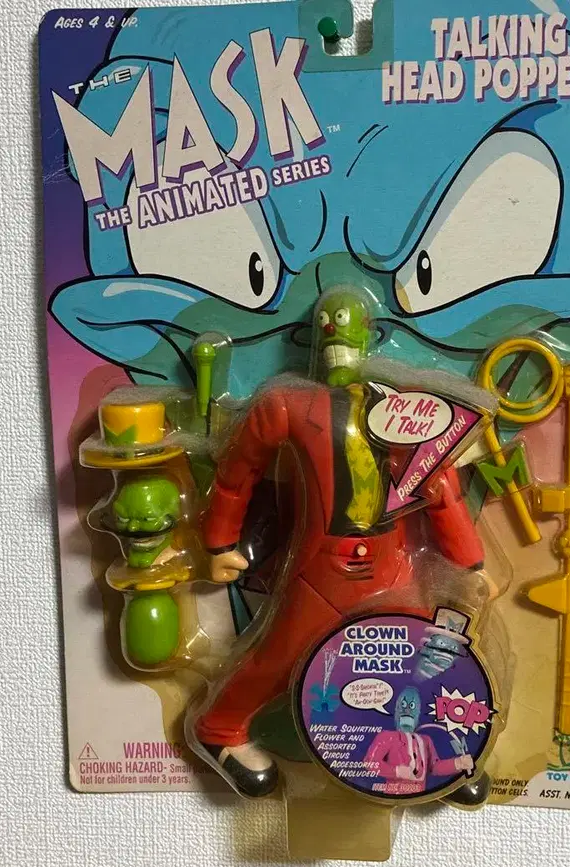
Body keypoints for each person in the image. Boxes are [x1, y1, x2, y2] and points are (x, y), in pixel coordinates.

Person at [193, 287, 492, 806]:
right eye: (329, 324)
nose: (336, 334)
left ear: (367, 333)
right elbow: (237, 471)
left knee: (423, 659)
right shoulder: (286, 405)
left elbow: (438, 484)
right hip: (320, 567)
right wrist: (219, 542)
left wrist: (469, 561)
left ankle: (443, 759)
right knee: (283, 656)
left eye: (345, 323)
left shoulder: (399, 409)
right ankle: (219, 729)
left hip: (391, 569)